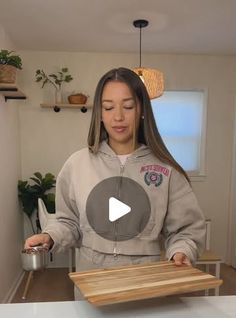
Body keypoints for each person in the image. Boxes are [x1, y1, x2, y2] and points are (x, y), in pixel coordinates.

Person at [25, 67, 206, 298]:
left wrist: (182, 251)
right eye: (108, 107)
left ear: (142, 110)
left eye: (128, 106)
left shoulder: (166, 169)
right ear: (99, 113)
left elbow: (187, 230)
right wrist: (50, 236)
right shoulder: (77, 164)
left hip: (145, 284)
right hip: (92, 282)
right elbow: (68, 222)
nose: (118, 116)